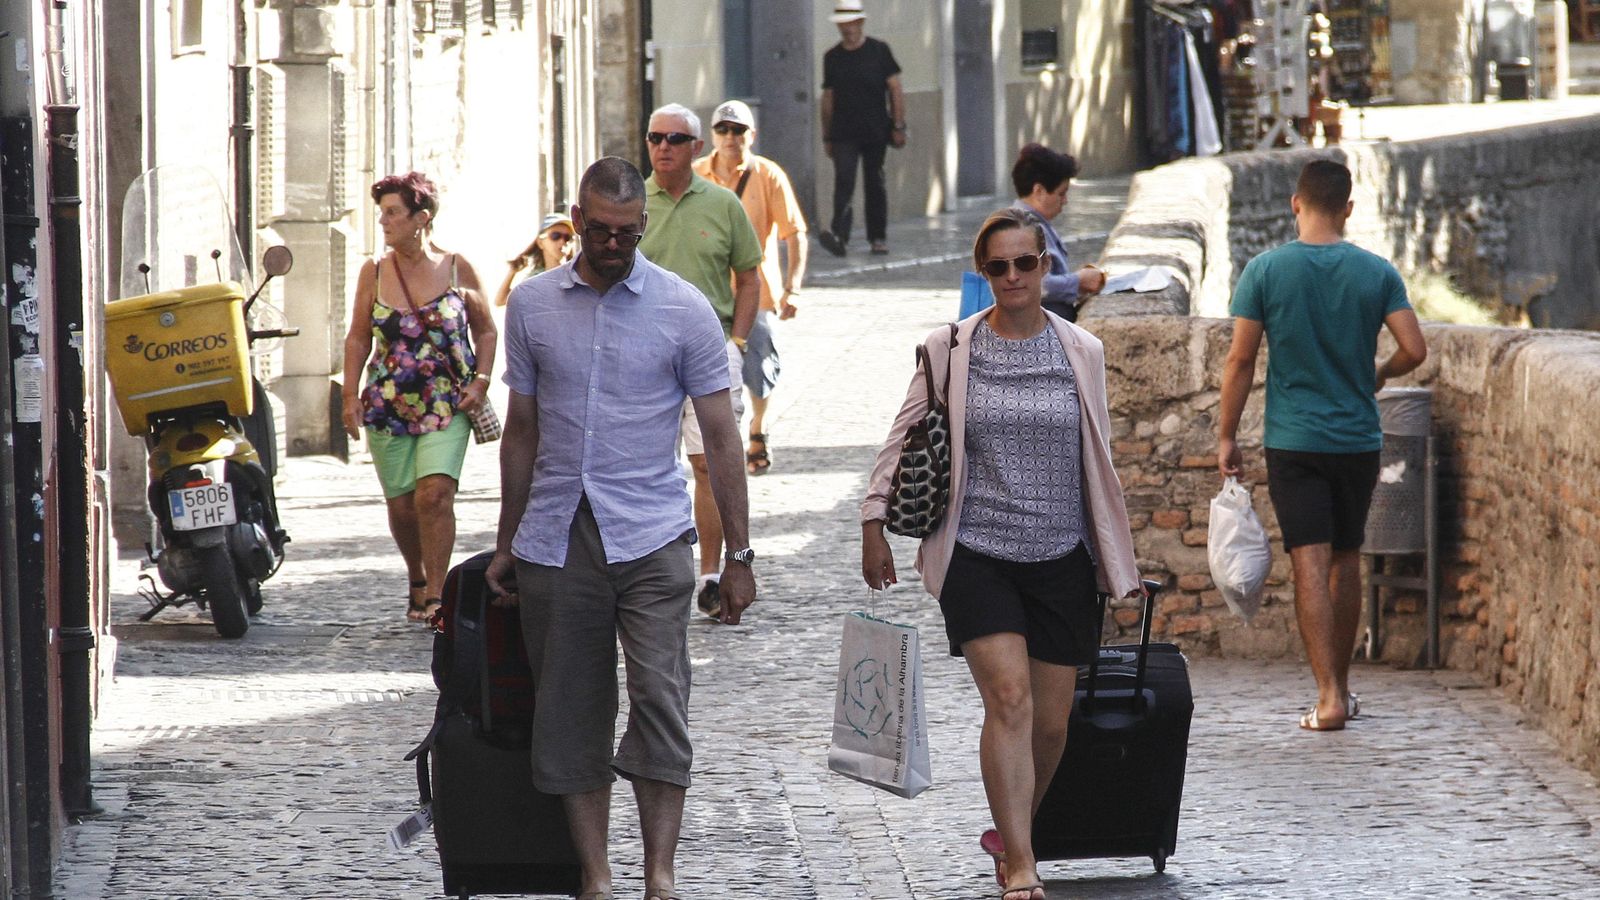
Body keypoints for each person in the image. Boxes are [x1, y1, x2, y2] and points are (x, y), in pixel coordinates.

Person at [486, 156, 756, 900]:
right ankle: (598, 878)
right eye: (598, 231)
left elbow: (722, 436)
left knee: (661, 698)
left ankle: (659, 878)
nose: (611, 244)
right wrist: (507, 541)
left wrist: (738, 553)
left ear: (643, 225)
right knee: (570, 707)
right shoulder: (533, 306)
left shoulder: (682, 309)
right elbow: (522, 431)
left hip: (654, 533)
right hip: (556, 535)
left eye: (626, 233)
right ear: (576, 220)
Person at [860, 209, 1144, 900]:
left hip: (1061, 554)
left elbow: (1098, 462)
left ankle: (1011, 830)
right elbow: (902, 438)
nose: (1012, 277)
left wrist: (1118, 567)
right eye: (997, 266)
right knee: (1010, 700)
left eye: (1024, 263)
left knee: (1050, 724)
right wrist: (872, 521)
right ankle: (1021, 864)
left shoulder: (1082, 351)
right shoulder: (950, 348)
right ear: (982, 272)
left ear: (1046, 267)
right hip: (977, 549)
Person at [1217, 160, 1426, 731]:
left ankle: (1327, 695)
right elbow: (1415, 348)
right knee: (1345, 558)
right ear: (1349, 208)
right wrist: (1379, 374)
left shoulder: (1264, 271)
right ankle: (1346, 689)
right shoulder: (1376, 272)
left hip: (1294, 440)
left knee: (1308, 559)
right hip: (1357, 439)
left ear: (1296, 204)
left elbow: (1240, 360)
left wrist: (1227, 433)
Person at [340, 171, 497, 622]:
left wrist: (481, 380)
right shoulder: (373, 272)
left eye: (393, 213)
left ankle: (437, 591)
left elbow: (486, 330)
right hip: (388, 403)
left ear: (421, 218)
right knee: (404, 505)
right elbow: (357, 338)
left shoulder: (456, 267)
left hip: (448, 402)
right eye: (382, 213)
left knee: (434, 495)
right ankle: (417, 573)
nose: (384, 222)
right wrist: (349, 397)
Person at [637, 102, 763, 622]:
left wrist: (737, 341)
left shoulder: (722, 203)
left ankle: (710, 573)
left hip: (711, 351)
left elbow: (750, 275)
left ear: (695, 148)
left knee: (710, 464)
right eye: (654, 137)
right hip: (641, 355)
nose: (663, 147)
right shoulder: (631, 203)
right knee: (647, 467)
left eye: (674, 139)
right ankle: (652, 570)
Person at [691, 98, 809, 477]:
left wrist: (792, 288)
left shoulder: (767, 175)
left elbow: (795, 232)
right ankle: (717, 440)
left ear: (751, 135)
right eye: (723, 130)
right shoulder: (694, 174)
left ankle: (758, 424)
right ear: (712, 135)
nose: (730, 137)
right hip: (704, 293)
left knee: (758, 367)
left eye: (738, 130)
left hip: (755, 292)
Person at [818, 0, 905, 257]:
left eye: (851, 23)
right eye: (843, 24)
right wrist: (827, 134)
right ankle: (840, 237)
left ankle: (877, 237)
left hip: (876, 129)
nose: (847, 28)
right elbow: (828, 98)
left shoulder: (879, 51)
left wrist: (899, 125)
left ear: (860, 22)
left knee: (875, 181)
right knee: (844, 180)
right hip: (843, 131)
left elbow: (896, 89)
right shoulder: (832, 57)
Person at [1009, 143, 1106, 323]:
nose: (1065, 201)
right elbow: (1033, 283)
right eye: (1061, 194)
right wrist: (1078, 281)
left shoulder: (1035, 224)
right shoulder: (1021, 228)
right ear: (1039, 191)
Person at [493, 211, 575, 306]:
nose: (562, 242)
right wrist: (512, 271)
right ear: (540, 242)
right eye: (555, 236)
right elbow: (500, 301)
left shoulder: (576, 277)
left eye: (568, 238)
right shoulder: (534, 279)